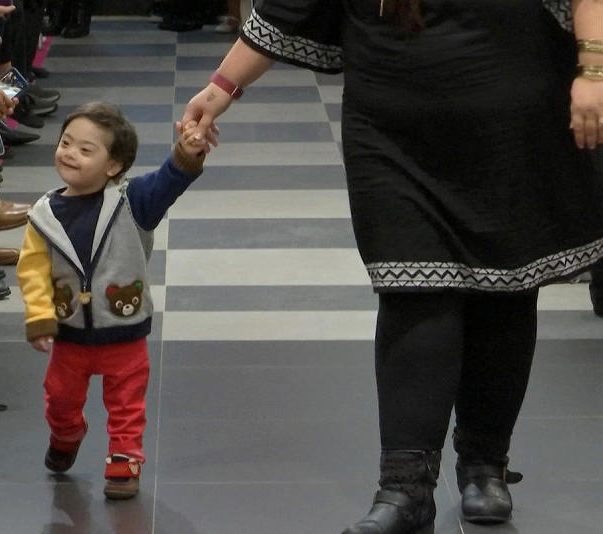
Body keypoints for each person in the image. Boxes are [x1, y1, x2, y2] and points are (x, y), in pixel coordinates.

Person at [180, 1, 603, 532]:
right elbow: (293, 4)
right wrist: (221, 89)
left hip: (513, 122)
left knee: (506, 291)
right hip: (389, 136)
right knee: (411, 291)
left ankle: (484, 465)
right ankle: (405, 489)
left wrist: (594, 69)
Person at [16, 102, 207, 499]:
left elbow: (167, 182)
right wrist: (39, 314)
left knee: (126, 402)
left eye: (86, 150)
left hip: (125, 333)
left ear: (113, 166)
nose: (70, 153)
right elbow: (32, 268)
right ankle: (67, 435)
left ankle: (124, 457)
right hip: (69, 336)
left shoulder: (132, 202)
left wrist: (185, 155)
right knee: (60, 398)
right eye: (66, 142)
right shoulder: (44, 214)